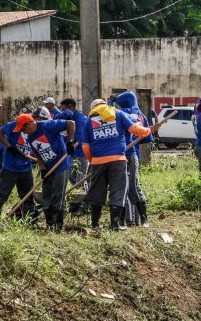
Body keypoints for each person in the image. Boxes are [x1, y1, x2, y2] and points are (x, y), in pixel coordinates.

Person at [81, 99, 158, 230]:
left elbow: (86, 147)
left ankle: (95, 224)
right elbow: (136, 130)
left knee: (97, 191)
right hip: (118, 159)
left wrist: (93, 160)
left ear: (93, 109)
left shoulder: (89, 122)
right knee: (118, 190)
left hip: (98, 161)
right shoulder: (118, 114)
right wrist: (149, 130)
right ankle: (115, 224)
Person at [27, 116, 75, 232]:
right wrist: (43, 169)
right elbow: (38, 156)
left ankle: (57, 227)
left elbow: (71, 123)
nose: (24, 131)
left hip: (61, 165)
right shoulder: (30, 138)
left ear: (30, 123)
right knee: (46, 195)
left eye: (24, 128)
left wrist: (69, 142)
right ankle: (49, 224)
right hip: (48, 169)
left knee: (57, 196)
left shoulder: (47, 125)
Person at [0, 114, 39, 228]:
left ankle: (29, 223)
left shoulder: (36, 129)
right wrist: (9, 147)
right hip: (10, 169)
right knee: (2, 196)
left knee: (27, 197)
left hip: (26, 169)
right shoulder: (14, 125)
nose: (22, 130)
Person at [113, 91, 153, 227]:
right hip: (132, 154)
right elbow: (147, 138)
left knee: (121, 188)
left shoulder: (117, 114)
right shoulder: (141, 115)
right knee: (134, 187)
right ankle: (140, 220)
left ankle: (128, 221)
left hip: (120, 155)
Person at [58, 98, 89, 185]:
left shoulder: (80, 119)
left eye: (63, 109)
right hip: (71, 151)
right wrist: (62, 115)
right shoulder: (68, 116)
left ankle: (84, 196)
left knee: (80, 178)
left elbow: (79, 137)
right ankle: (76, 196)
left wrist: (65, 140)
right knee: (72, 177)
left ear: (71, 107)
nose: (62, 111)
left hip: (80, 152)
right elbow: (55, 121)